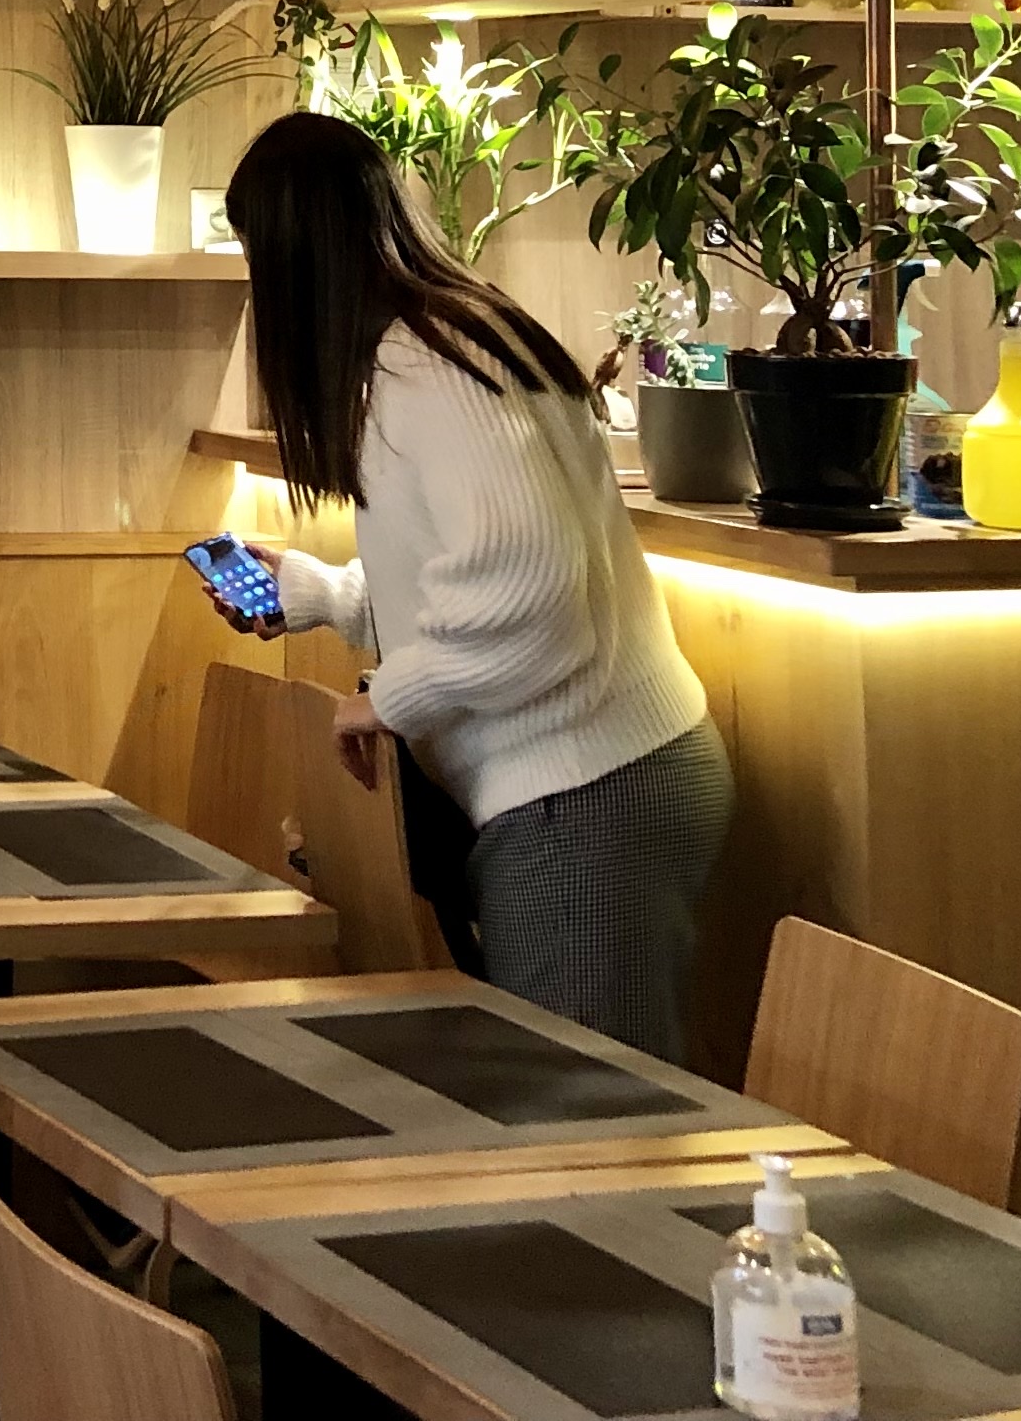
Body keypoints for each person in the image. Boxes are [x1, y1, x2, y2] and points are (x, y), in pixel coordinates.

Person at [209, 110, 731, 1059]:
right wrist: (323, 595)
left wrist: (392, 700)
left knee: (585, 1116)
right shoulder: (451, 334)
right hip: (600, 780)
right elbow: (482, 573)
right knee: (580, 1103)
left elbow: (528, 593)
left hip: (582, 797)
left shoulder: (424, 367)